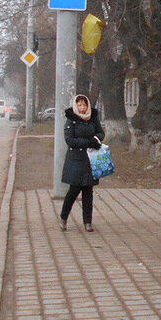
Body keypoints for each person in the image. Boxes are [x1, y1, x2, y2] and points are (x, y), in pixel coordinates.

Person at [60, 93, 105, 233]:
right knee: (73, 190)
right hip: (75, 160)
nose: (82, 108)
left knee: (88, 192)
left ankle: (88, 222)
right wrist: (88, 142)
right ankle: (63, 217)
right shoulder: (71, 120)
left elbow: (100, 133)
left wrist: (97, 139)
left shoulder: (93, 118)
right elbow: (70, 140)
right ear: (75, 106)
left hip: (90, 159)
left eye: (84, 105)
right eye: (79, 105)